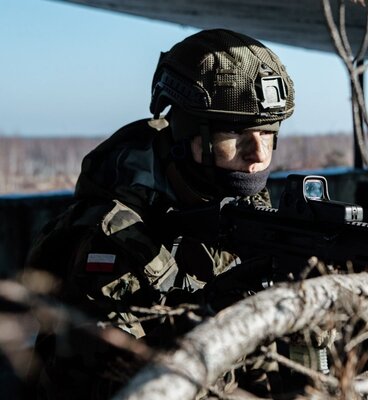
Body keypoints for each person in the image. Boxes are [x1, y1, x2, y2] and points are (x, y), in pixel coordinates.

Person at [26, 28, 294, 399]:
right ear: (186, 139)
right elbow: (110, 381)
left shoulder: (241, 212)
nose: (258, 155)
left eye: (267, 133)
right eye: (235, 133)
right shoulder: (107, 236)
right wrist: (216, 316)